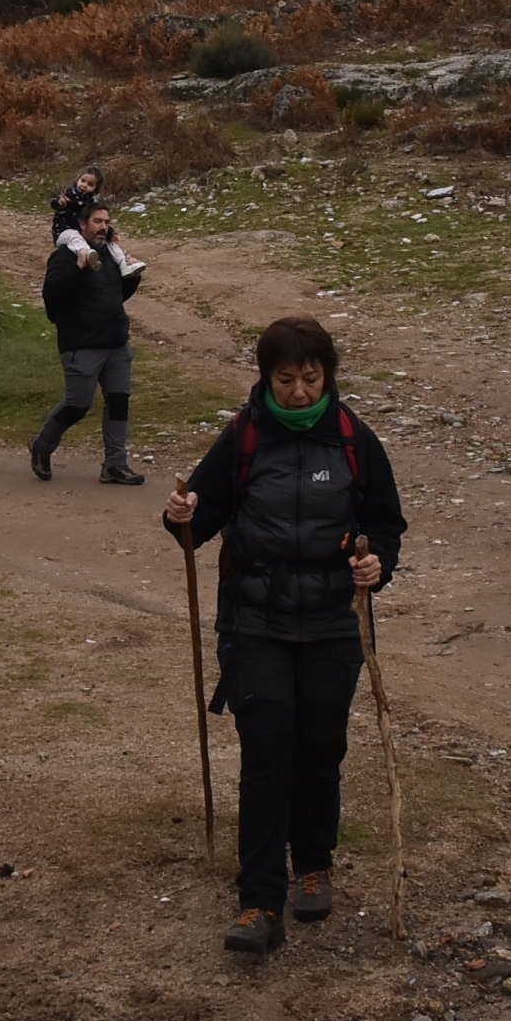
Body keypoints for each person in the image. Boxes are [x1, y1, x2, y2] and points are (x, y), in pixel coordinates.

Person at [162, 315, 407, 956]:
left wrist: (376, 562)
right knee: (267, 752)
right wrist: (180, 514)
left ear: (327, 375)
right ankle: (258, 900)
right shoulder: (243, 437)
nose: (298, 391)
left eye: (309, 378)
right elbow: (202, 517)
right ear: (265, 377)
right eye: (285, 379)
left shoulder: (355, 439)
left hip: (333, 623)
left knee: (320, 747)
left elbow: (386, 525)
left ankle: (316, 864)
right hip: (256, 621)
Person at [31, 204, 146, 485]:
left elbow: (115, 296)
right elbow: (52, 301)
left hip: (116, 341)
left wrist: (132, 278)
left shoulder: (110, 254)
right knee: (78, 405)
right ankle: (42, 446)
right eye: (97, 221)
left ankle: (115, 464)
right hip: (81, 344)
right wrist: (79, 269)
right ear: (82, 224)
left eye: (106, 221)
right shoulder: (63, 258)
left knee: (119, 401)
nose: (103, 227)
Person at [52, 165, 105, 251]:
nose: (84, 185)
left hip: (83, 234)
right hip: (64, 232)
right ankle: (88, 254)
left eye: (90, 184)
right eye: (83, 181)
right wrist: (60, 203)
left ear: (95, 189)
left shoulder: (92, 203)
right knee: (74, 236)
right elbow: (54, 204)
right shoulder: (67, 194)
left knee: (106, 239)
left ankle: (124, 261)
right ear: (77, 180)